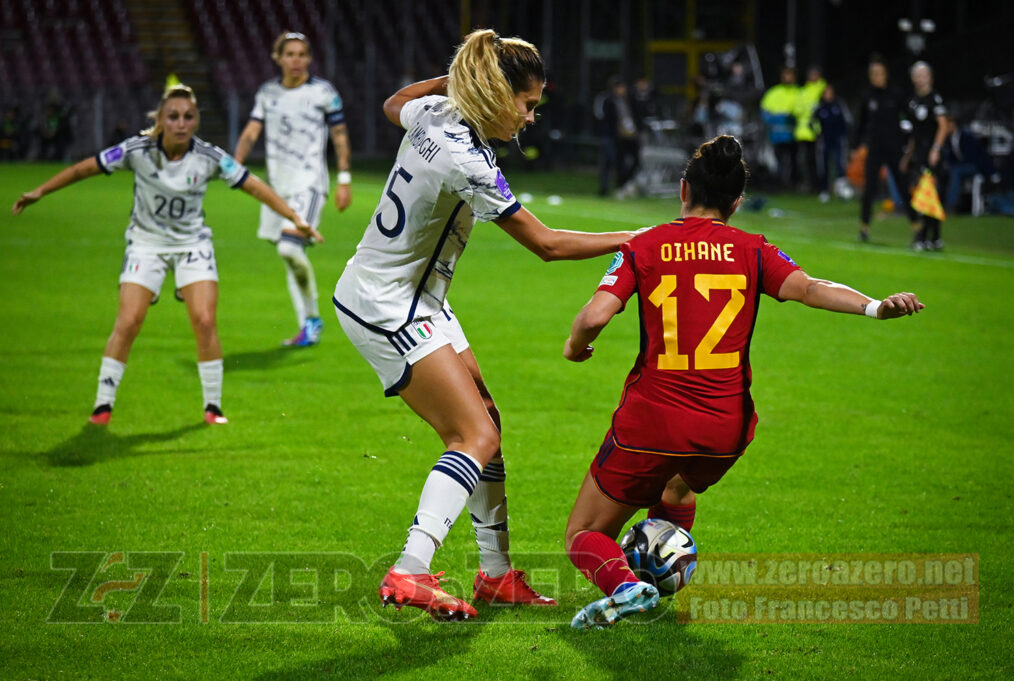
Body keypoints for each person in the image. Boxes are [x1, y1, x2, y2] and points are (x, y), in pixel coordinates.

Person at [333, 29, 639, 621]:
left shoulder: (437, 112)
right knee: (475, 437)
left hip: (416, 298)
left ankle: (495, 577)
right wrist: (639, 238)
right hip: (388, 304)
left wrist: (460, 82)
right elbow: (546, 244)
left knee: (488, 422)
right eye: (526, 103)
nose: (530, 116)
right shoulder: (463, 155)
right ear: (496, 94)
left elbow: (395, 103)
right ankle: (410, 570)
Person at [561, 135, 925, 629]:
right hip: (723, 428)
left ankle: (626, 587)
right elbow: (812, 289)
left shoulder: (643, 245)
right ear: (736, 202)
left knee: (583, 532)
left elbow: (596, 315)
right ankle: (659, 577)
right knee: (676, 488)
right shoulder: (753, 249)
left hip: (653, 419)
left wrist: (576, 346)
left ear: (682, 189)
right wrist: (873, 306)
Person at [12, 85, 317, 426]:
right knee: (128, 322)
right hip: (146, 243)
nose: (181, 124)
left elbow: (253, 185)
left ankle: (213, 407)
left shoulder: (209, 157)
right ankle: (103, 404)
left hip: (192, 245)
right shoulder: (136, 150)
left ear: (196, 121)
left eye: (188, 117)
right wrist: (41, 190)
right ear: (160, 120)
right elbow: (85, 168)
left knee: (204, 321)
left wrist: (294, 218)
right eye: (173, 117)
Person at [234, 31, 352, 347]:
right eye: (290, 54)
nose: (296, 60)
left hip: (309, 182)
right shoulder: (268, 93)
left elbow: (339, 134)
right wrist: (235, 164)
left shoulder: (323, 93)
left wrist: (344, 179)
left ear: (309, 59)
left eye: (302, 54)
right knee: (289, 254)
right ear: (278, 58)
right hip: (277, 186)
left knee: (290, 248)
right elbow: (251, 130)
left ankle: (312, 319)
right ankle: (306, 327)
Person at [853, 55, 916, 242]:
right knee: (869, 188)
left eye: (880, 73)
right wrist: (855, 146)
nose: (877, 77)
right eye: (873, 73)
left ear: (886, 74)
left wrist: (909, 144)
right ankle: (864, 228)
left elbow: (910, 118)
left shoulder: (895, 94)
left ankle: (916, 226)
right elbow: (861, 124)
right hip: (875, 148)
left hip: (894, 147)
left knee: (903, 186)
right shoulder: (867, 95)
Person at [902, 61, 952, 250]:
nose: (920, 79)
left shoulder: (935, 99)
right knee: (923, 194)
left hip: (932, 154)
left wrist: (936, 149)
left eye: (924, 75)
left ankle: (929, 237)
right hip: (919, 154)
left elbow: (943, 125)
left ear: (930, 77)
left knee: (931, 194)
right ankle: (930, 238)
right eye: (917, 76)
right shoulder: (913, 101)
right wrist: (908, 155)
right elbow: (914, 133)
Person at [597, 76, 640, 197]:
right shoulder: (608, 100)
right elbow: (605, 119)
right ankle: (607, 188)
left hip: (628, 136)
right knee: (610, 161)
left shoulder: (629, 100)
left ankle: (622, 184)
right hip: (612, 137)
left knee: (632, 160)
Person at [760, 67, 800, 190]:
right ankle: (780, 184)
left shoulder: (799, 92)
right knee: (779, 161)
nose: (788, 77)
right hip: (777, 135)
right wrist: (777, 119)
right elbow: (764, 112)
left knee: (795, 160)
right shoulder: (773, 93)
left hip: (795, 135)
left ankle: (794, 183)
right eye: (786, 75)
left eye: (790, 75)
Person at [814, 83, 850, 200]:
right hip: (825, 139)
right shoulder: (819, 107)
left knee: (840, 163)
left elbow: (847, 120)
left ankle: (841, 190)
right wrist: (818, 134)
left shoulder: (839, 105)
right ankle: (824, 190)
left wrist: (843, 134)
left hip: (838, 138)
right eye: (826, 93)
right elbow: (813, 122)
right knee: (824, 164)